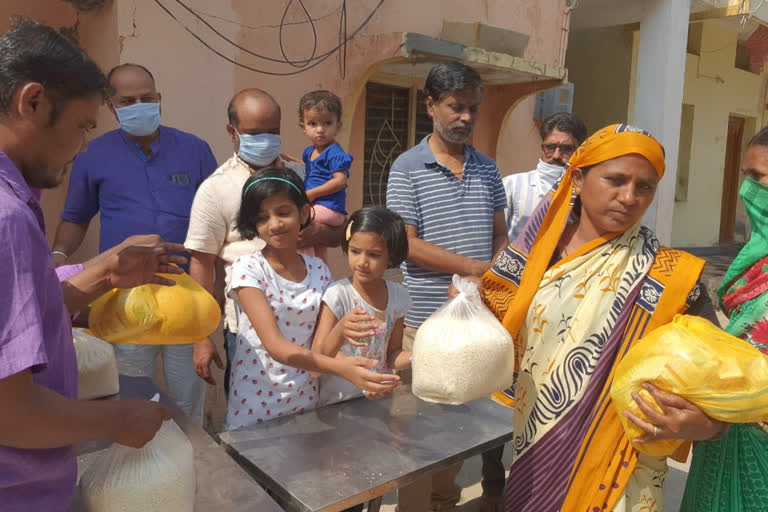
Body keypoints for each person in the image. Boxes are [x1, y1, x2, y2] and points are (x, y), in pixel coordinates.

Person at [479, 124, 727, 512]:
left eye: (644, 187)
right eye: (615, 180)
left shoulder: (669, 277)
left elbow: (720, 372)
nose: (629, 197)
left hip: (623, 471)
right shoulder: (535, 256)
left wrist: (709, 424)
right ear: (577, 178)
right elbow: (491, 325)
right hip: (537, 451)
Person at [0, 18, 185, 510]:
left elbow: (23, 313)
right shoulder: (7, 218)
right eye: (82, 125)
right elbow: (10, 412)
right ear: (32, 101)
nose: (83, 145)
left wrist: (101, 274)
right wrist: (116, 421)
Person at [51, 62, 218, 423]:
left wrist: (214, 302)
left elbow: (216, 221)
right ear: (111, 106)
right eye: (128, 100)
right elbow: (76, 217)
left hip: (186, 293)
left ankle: (193, 454)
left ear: (159, 99)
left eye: (147, 98)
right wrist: (59, 255)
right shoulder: (92, 155)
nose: (139, 105)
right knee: (131, 392)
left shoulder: (195, 150)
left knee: (188, 394)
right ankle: (140, 464)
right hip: (125, 295)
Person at [386, 60, 508, 512]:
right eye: (457, 107)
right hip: (423, 326)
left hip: (474, 329)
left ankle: (444, 503)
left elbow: (501, 234)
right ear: (431, 105)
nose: (466, 118)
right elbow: (408, 246)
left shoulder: (488, 170)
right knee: (416, 435)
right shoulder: (407, 168)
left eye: (473, 109)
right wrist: (474, 270)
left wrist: (494, 269)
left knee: (458, 435)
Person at [224, 167, 399, 430]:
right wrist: (344, 369)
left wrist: (364, 374)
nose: (274, 224)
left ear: (303, 213)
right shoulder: (248, 269)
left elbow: (323, 343)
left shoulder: (318, 269)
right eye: (262, 218)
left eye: (283, 212)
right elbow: (276, 346)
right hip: (256, 402)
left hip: (307, 401)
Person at [680, 126, 768, 511]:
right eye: (746, 177)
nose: (748, 190)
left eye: (760, 178)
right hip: (725, 428)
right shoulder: (756, 254)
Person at [185, 88, 284, 397]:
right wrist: (201, 336)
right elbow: (201, 265)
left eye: (273, 131)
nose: (266, 140)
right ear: (232, 132)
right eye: (255, 133)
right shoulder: (216, 189)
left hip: (302, 319)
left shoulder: (300, 177)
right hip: (245, 329)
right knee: (248, 416)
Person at [313, 207, 412, 406]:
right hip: (336, 405)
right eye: (355, 251)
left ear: (390, 257)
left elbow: (392, 355)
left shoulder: (398, 296)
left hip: (377, 402)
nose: (362, 262)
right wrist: (340, 332)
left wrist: (419, 356)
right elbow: (317, 360)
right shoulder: (338, 295)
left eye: (374, 255)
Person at [503, 112, 587, 241]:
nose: (556, 156)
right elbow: (497, 236)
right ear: (542, 148)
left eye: (566, 149)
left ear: (579, 151)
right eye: (550, 147)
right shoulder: (512, 184)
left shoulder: (585, 192)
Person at [298, 90, 353, 264]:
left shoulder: (334, 153)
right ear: (303, 127)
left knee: (299, 222)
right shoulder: (310, 152)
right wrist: (286, 159)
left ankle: (304, 267)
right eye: (313, 123)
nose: (320, 130)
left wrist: (312, 194)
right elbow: (311, 168)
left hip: (330, 208)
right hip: (320, 207)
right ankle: (322, 275)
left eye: (327, 123)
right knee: (318, 245)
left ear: (338, 125)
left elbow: (340, 180)